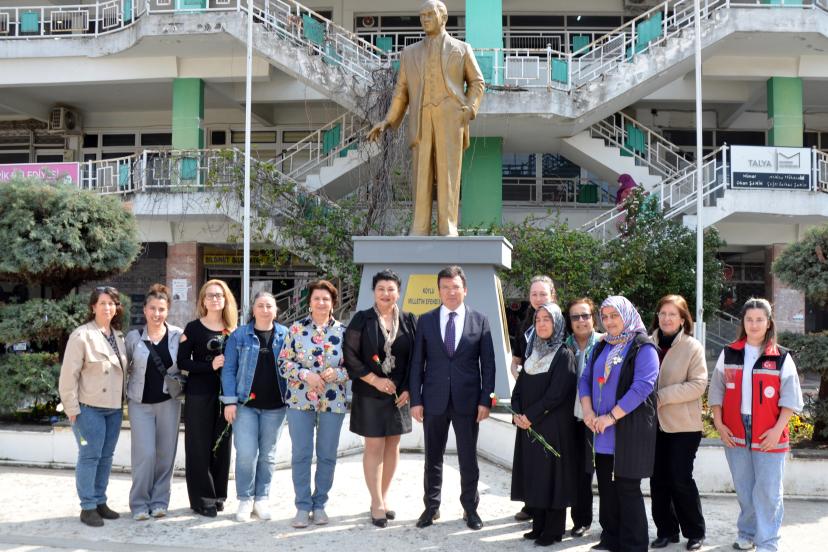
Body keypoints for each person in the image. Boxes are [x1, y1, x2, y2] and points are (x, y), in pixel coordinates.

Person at [365, 0, 484, 236]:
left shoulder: (462, 48)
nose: (425, 19)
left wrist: (470, 109)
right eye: (422, 15)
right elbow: (401, 91)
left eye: (430, 14)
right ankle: (419, 227)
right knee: (421, 175)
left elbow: (477, 82)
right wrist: (388, 120)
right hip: (421, 117)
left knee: (448, 174)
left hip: (451, 116)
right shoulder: (409, 53)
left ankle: (448, 226)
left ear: (443, 18)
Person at [709, 298, 804, 552]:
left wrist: (777, 430)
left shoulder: (781, 357)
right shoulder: (729, 353)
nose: (754, 324)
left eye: (759, 319)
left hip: (769, 431)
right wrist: (719, 423)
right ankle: (747, 533)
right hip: (736, 430)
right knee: (744, 489)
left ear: (768, 323)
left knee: (768, 491)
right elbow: (716, 390)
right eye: (749, 319)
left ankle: (768, 542)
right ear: (743, 322)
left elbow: (790, 399)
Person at [409, 265, 496, 531]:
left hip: (468, 402)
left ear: (465, 290)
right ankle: (431, 507)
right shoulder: (425, 320)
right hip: (433, 400)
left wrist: (486, 400)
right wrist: (416, 400)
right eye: (445, 287)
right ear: (438, 291)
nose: (450, 292)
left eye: (455, 287)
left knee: (468, 458)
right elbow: (417, 363)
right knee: (432, 458)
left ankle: (470, 508)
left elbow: (488, 365)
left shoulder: (480, 320)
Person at [579, 296, 658, 552]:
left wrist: (611, 417)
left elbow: (642, 387)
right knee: (606, 487)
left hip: (628, 430)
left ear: (627, 315)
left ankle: (634, 545)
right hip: (600, 430)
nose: (610, 321)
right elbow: (585, 379)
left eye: (615, 315)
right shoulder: (602, 345)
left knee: (627, 488)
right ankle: (611, 538)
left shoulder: (643, 346)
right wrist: (588, 411)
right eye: (605, 316)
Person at [344, 270, 417, 528]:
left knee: (393, 445)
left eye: (391, 289)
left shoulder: (409, 320)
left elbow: (417, 358)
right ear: (374, 292)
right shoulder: (361, 319)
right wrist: (374, 380)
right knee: (374, 446)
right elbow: (350, 355)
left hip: (399, 394)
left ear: (398, 292)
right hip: (369, 392)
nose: (386, 294)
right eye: (381, 289)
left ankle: (384, 497)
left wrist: (408, 388)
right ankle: (375, 502)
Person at [278, 280, 349, 529]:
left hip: (333, 401)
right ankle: (302, 506)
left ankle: (320, 505)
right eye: (316, 298)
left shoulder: (344, 331)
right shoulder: (296, 329)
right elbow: (283, 363)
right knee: (301, 454)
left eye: (326, 299)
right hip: (299, 400)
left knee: (327, 454)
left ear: (333, 304)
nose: (321, 303)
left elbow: (354, 366)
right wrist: (305, 374)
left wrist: (337, 374)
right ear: (309, 302)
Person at [59, 286, 128, 527]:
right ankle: (87, 506)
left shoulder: (118, 336)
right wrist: (72, 409)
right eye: (102, 303)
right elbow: (68, 376)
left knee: (106, 457)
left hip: (114, 408)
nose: (108, 307)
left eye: (112, 303)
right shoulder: (81, 336)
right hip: (89, 408)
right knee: (90, 456)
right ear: (93, 307)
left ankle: (100, 500)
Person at [511, 303, 577, 547]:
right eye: (538, 320)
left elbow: (556, 394)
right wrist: (517, 413)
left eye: (547, 319)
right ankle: (538, 525)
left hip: (552, 426)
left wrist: (530, 415)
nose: (541, 324)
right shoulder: (532, 353)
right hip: (528, 426)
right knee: (535, 474)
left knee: (552, 476)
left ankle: (553, 530)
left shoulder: (564, 354)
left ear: (557, 323)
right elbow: (519, 388)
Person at [220, 291, 289, 522]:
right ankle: (245, 499)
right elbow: (229, 369)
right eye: (260, 305)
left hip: (276, 407)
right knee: (246, 454)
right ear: (253, 309)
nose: (265, 310)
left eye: (269, 305)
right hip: (245, 406)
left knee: (268, 455)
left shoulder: (286, 335)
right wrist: (229, 401)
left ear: (276, 310)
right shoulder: (239, 335)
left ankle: (262, 498)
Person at [649, 295, 707, 551]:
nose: (666, 318)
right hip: (653, 425)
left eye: (673, 314)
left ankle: (695, 532)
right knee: (658, 480)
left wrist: (661, 396)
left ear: (683, 319)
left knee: (680, 478)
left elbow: (698, 385)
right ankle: (666, 531)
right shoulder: (647, 343)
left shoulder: (692, 347)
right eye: (662, 313)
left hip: (684, 426)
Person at [177, 279, 238, 517]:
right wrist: (208, 365)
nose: (214, 299)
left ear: (225, 300)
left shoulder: (234, 330)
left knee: (221, 446)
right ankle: (203, 500)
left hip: (226, 396)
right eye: (210, 295)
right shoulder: (193, 328)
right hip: (199, 394)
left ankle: (218, 496)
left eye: (219, 295)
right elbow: (182, 362)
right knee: (198, 446)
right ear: (203, 300)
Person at [125, 284, 184, 521]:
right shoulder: (133, 338)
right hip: (140, 403)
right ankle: (139, 503)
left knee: (165, 454)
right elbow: (123, 367)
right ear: (145, 309)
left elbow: (187, 364)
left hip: (169, 402)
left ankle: (160, 501)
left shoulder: (178, 335)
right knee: (145, 454)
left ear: (167, 310)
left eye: (161, 309)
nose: (156, 313)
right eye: (152, 308)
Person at [511, 274, 557, 523]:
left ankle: (550, 508)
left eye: (543, 294)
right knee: (528, 453)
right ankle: (531, 503)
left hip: (551, 399)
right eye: (534, 294)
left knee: (547, 455)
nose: (538, 299)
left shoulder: (560, 321)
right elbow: (517, 358)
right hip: (528, 396)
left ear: (553, 296)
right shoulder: (526, 323)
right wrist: (516, 369)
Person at [564, 297, 604, 538]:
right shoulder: (563, 345)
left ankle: (609, 524)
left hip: (598, 418)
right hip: (569, 418)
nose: (581, 320)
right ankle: (580, 520)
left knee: (598, 471)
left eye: (585, 315)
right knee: (577, 471)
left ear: (593, 318)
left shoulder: (604, 344)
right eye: (575, 316)